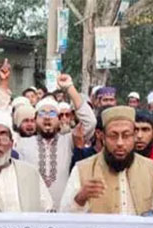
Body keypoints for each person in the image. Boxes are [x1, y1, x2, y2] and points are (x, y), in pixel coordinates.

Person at [15, 73, 96, 206]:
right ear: (35, 119)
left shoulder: (69, 141)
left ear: (59, 120)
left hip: (64, 211)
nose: (47, 117)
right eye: (42, 113)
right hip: (33, 211)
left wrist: (69, 88)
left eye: (52, 113)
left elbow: (90, 122)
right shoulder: (22, 144)